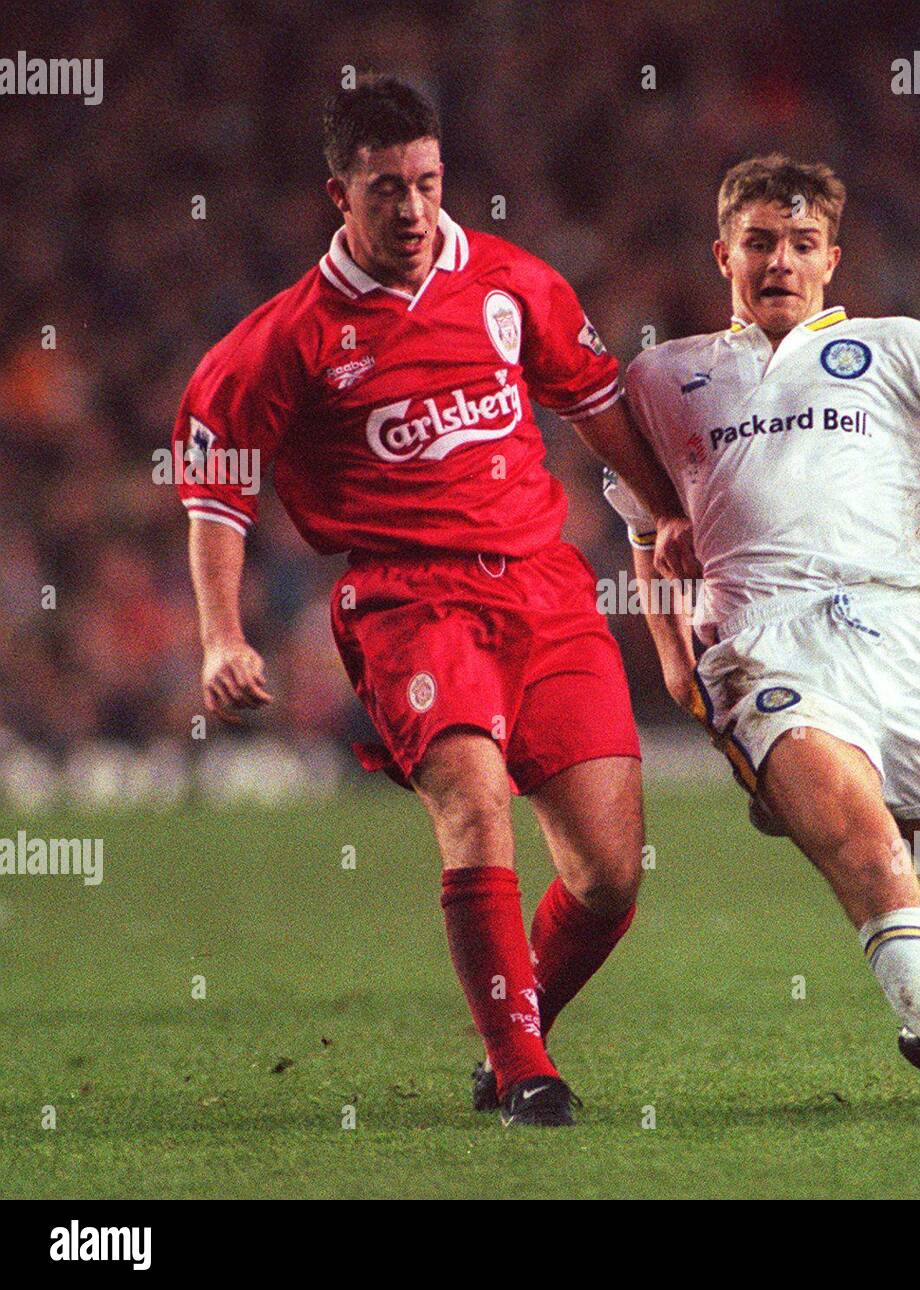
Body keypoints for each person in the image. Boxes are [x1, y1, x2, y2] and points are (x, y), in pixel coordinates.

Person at [175, 76, 697, 1128]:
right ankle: (521, 1073)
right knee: (473, 800)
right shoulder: (285, 340)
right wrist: (221, 635)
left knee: (608, 874)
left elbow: (596, 405)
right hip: (409, 600)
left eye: (426, 182)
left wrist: (668, 512)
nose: (411, 209)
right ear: (340, 194)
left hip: (545, 589)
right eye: (384, 189)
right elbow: (217, 492)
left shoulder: (512, 286)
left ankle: (517, 1030)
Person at [605, 154, 920, 1122]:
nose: (779, 263)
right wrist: (675, 653)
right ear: (724, 253)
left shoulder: (902, 356)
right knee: (870, 855)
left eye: (801, 245)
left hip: (912, 648)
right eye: (759, 243)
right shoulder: (667, 376)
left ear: (831, 258)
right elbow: (637, 506)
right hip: (768, 649)